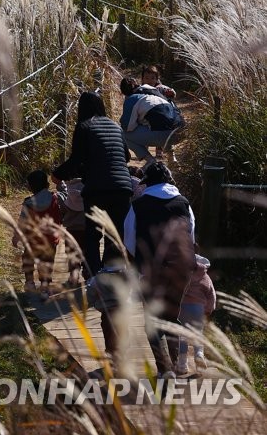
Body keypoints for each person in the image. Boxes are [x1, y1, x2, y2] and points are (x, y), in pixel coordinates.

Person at [124, 160, 196, 377]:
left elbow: (128, 239)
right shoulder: (183, 203)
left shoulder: (138, 204)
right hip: (181, 268)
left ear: (147, 180)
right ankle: (178, 364)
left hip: (151, 269)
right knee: (172, 315)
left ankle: (164, 369)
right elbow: (191, 236)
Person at [53, 92, 132, 276]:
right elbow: (126, 157)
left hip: (96, 189)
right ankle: (112, 272)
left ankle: (94, 274)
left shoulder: (84, 126)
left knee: (93, 234)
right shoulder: (115, 126)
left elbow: (76, 159)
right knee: (115, 233)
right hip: (122, 188)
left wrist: (58, 175)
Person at [12, 169, 63, 294]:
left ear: (31, 186)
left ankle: (29, 283)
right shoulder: (55, 199)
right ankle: (45, 285)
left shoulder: (29, 203)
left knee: (28, 259)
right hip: (51, 239)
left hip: (32, 240)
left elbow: (22, 222)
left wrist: (16, 236)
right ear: (46, 184)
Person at [119, 77, 184, 163]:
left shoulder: (131, 99)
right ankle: (171, 157)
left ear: (125, 94)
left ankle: (151, 161)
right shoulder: (152, 89)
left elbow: (128, 127)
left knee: (123, 133)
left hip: (164, 135)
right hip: (182, 131)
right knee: (162, 122)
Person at [177, 254, 216, 373]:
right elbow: (211, 294)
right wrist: (209, 309)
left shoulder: (182, 274)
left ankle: (182, 365)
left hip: (182, 307)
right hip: (199, 308)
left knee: (183, 335)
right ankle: (199, 354)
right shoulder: (205, 276)